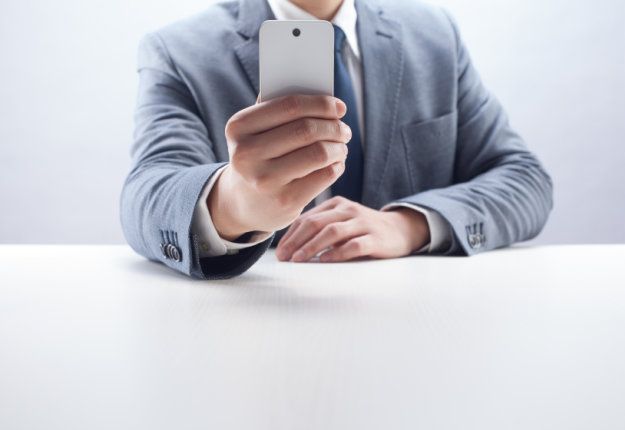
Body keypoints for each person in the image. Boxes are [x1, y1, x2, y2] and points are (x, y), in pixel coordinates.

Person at [121, 0, 553, 279]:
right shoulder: (178, 50)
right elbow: (145, 194)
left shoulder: (434, 36)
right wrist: (235, 204)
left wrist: (408, 225)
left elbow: (523, 179)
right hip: (252, 336)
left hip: (412, 331)